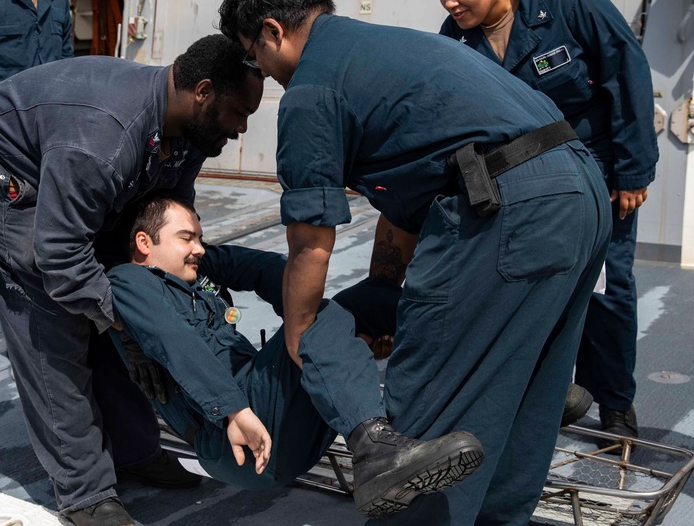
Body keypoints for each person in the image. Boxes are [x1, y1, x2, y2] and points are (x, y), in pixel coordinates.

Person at [218, 0, 612, 525]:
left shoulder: (311, 88)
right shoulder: (387, 49)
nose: (262, 69)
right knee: (527, 409)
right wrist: (385, 296)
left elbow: (310, 239)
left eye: (255, 54)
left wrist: (304, 334)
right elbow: (406, 209)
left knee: (430, 422)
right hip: (578, 190)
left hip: (508, 207)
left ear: (273, 31)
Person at [0, 35, 265, 526]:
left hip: (76, 167)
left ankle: (134, 452)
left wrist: (151, 313)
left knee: (130, 303)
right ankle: (85, 493)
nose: (241, 130)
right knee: (53, 319)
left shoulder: (193, 131)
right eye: (239, 114)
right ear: (203, 92)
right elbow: (58, 254)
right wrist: (120, 325)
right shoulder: (102, 141)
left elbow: (157, 230)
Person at [106, 193, 485, 518]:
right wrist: (235, 411)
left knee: (360, 301)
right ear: (143, 242)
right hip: (235, 436)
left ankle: (466, 348)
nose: (199, 248)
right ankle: (374, 448)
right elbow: (174, 341)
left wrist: (334, 334)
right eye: (186, 238)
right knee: (321, 318)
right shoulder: (129, 281)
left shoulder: (197, 269)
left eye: (200, 238)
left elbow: (271, 272)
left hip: (273, 424)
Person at [425, 0, 659, 443]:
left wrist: (633, 171)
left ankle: (615, 402)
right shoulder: (455, 38)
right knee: (525, 283)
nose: (449, 4)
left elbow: (629, 73)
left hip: (597, 168)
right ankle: (542, 395)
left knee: (605, 289)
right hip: (523, 178)